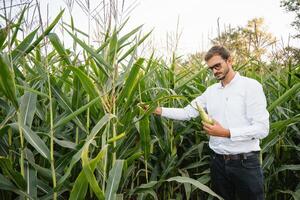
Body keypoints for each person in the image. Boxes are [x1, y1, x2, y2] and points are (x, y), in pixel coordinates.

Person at [151, 45, 269, 200]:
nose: (214, 71)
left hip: (245, 163)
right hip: (218, 162)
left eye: (217, 66)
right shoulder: (211, 91)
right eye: (211, 68)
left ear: (230, 60)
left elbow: (262, 129)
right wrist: (156, 110)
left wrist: (225, 133)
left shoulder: (250, 86)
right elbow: (187, 112)